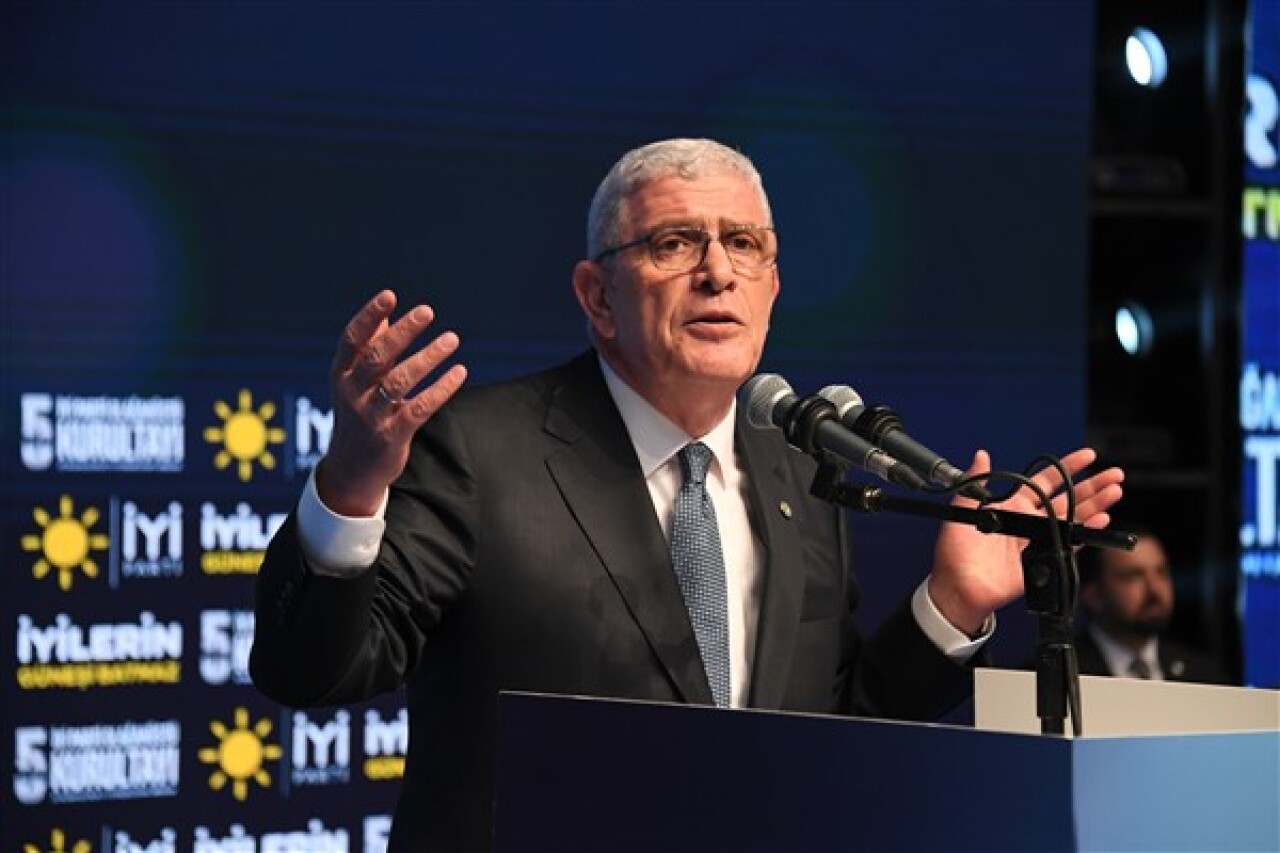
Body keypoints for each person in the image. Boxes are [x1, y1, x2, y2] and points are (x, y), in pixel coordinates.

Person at [249, 138, 1125, 851]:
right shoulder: (481, 449)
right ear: (597, 296)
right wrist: (352, 484)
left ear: (773, 287)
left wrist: (952, 603)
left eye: (745, 244)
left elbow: (823, 735)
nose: (717, 272)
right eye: (674, 243)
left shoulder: (801, 470)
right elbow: (313, 670)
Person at [1074, 523, 1230, 684]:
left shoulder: (1202, 674)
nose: (1154, 589)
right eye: (1133, 575)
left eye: (1161, 572)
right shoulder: (1067, 671)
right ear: (1093, 595)